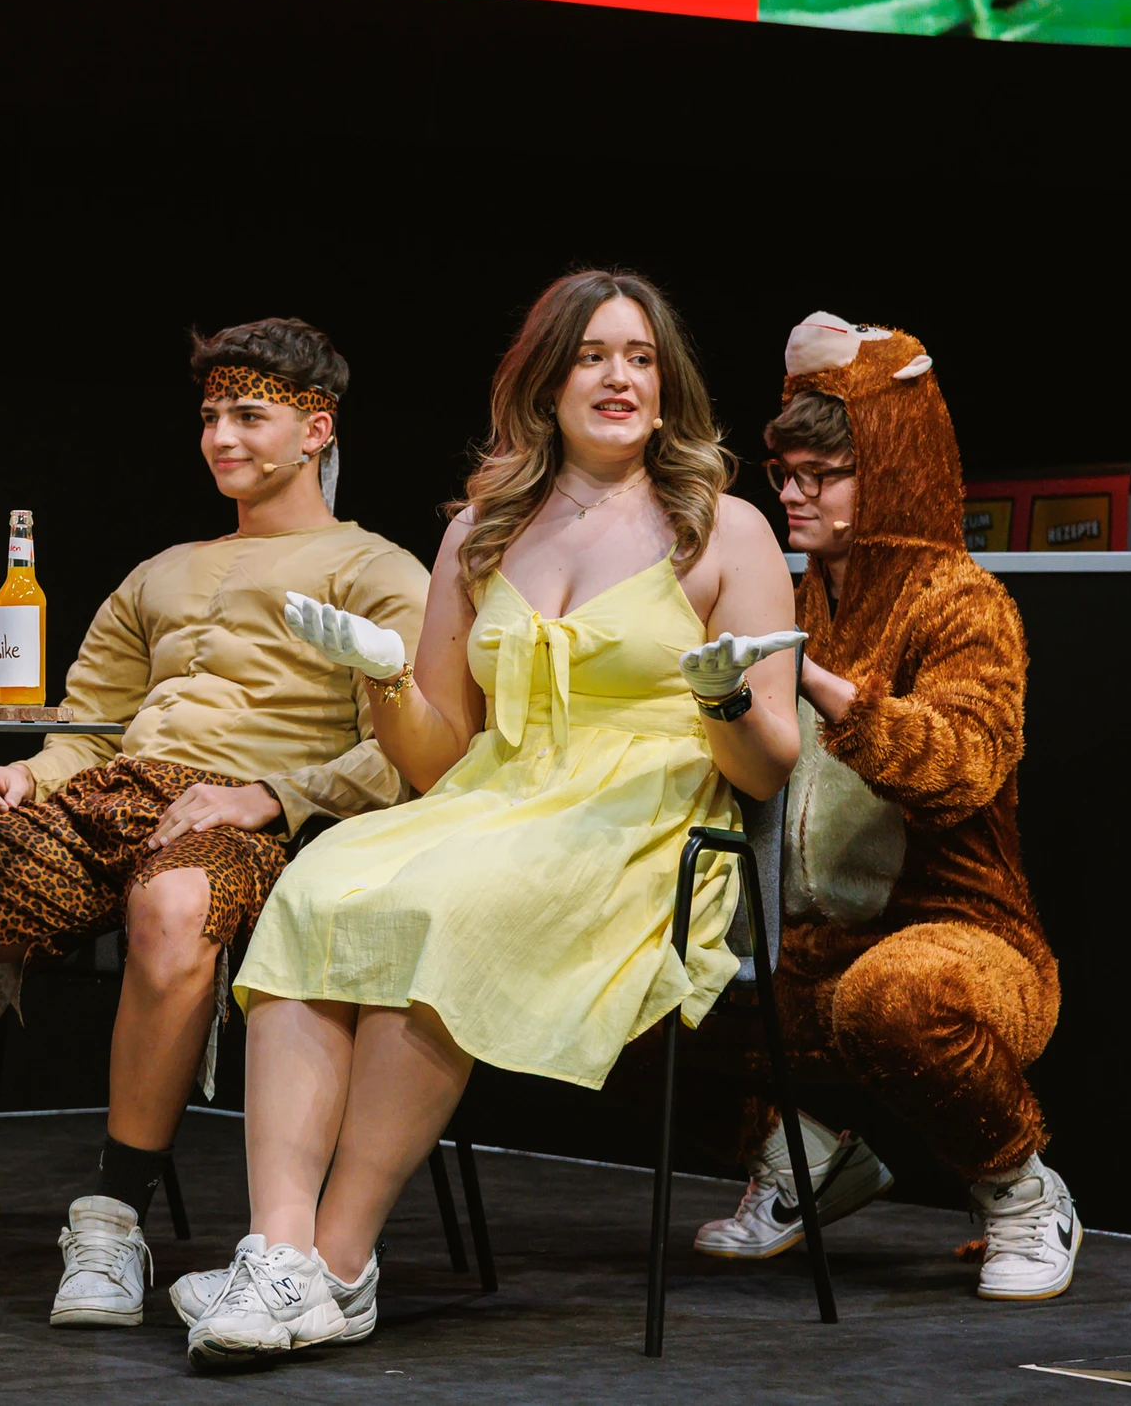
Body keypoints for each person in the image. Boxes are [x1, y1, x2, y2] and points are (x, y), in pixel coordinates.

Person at [179, 270, 804, 1369]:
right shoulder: (480, 529)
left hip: (641, 823)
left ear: (667, 384)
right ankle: (276, 1254)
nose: (618, 377)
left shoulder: (726, 529)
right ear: (547, 382)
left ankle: (338, 1263)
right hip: (491, 797)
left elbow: (766, 768)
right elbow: (436, 758)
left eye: (640, 357)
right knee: (315, 887)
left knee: (439, 909)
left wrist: (721, 701)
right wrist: (380, 677)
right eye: (592, 356)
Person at [0, 318, 429, 1325]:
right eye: (210, 416)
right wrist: (26, 774)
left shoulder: (377, 570)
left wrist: (273, 794)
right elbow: (90, 726)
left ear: (316, 428)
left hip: (243, 816)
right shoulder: (160, 569)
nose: (221, 436)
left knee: (172, 910)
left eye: (251, 415)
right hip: (105, 803)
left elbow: (410, 747)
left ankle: (112, 1219)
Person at [688, 312, 1075, 1300]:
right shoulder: (790, 594)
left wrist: (825, 690)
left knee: (897, 996)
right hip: (811, 947)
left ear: (889, 474)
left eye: (822, 475)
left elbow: (964, 767)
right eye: (785, 474)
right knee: (627, 975)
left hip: (964, 935)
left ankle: (1023, 1191)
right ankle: (801, 1161)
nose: (793, 495)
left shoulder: (962, 602)